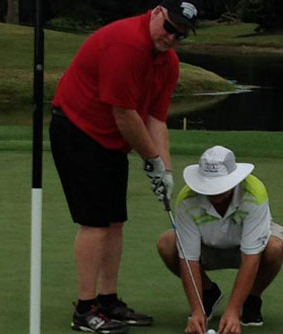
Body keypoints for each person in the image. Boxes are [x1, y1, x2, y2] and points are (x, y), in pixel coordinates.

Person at [49, 1, 199, 333]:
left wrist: (167, 172)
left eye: (181, 35)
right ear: (157, 12)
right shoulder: (127, 43)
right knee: (95, 224)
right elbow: (124, 114)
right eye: (170, 27)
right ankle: (85, 311)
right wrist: (152, 161)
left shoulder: (168, 63)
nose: (172, 37)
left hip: (110, 141)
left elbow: (155, 119)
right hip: (77, 129)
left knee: (115, 222)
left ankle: (108, 302)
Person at [156, 146, 283, 334]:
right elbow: (189, 259)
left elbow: (251, 257)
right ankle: (208, 295)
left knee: (274, 247)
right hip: (207, 248)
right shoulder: (187, 199)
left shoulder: (254, 193)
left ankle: (251, 299)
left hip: (247, 248)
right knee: (166, 243)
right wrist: (196, 310)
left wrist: (233, 311)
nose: (214, 192)